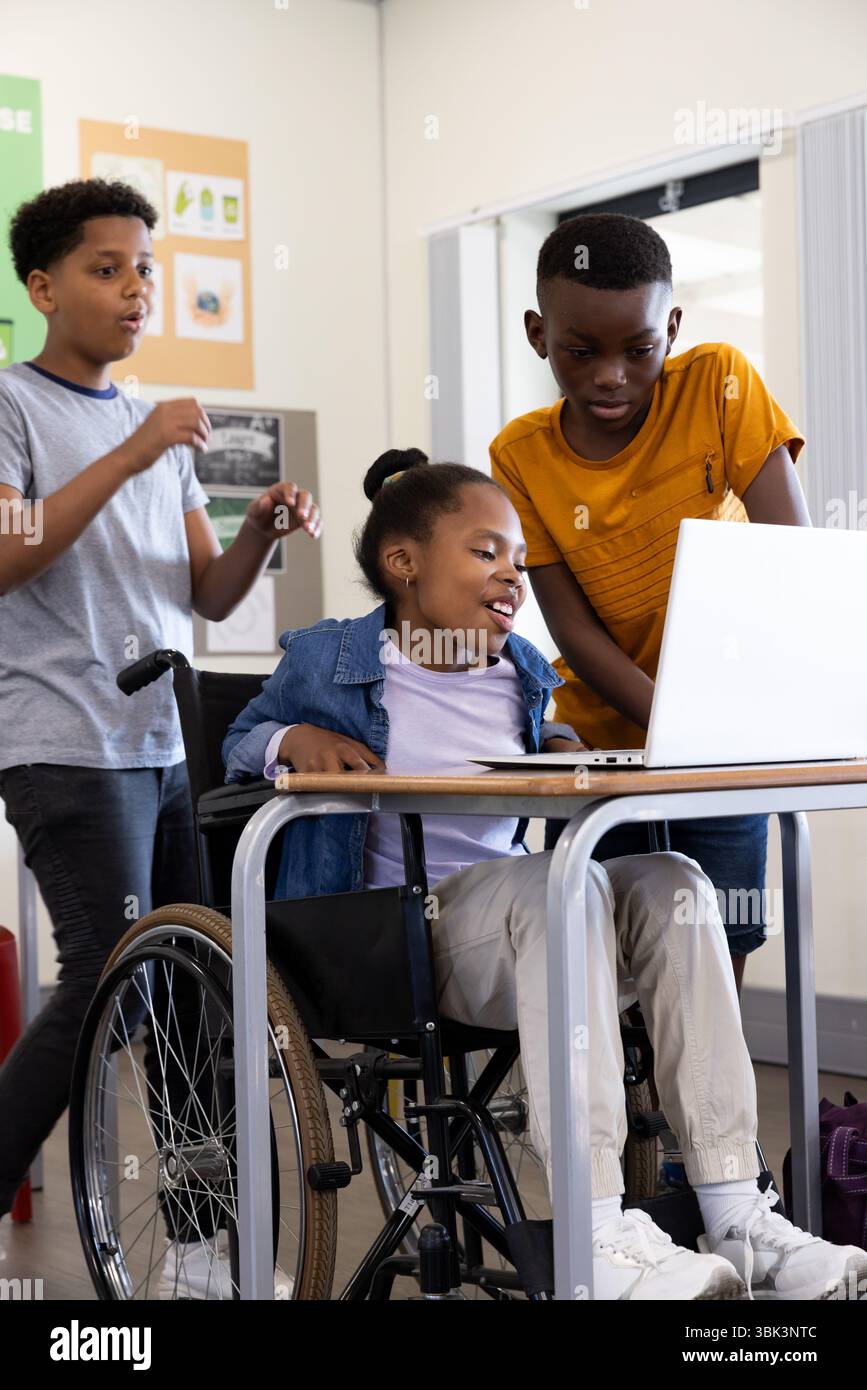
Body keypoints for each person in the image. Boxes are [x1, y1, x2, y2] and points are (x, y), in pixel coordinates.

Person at [223, 450, 865, 1300]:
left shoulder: (521, 669)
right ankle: (594, 1233)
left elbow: (539, 747)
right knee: (558, 887)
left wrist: (562, 748)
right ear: (403, 562)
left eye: (520, 560)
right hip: (391, 938)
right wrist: (290, 739)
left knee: (674, 880)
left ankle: (735, 1211)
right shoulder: (330, 657)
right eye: (485, 551)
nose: (512, 575)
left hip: (508, 930)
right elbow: (238, 740)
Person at [0, 179, 320, 1297]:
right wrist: (135, 451)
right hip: (63, 742)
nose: (135, 288)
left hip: (166, 742)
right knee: (111, 980)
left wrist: (261, 531)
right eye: (106, 268)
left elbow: (208, 592)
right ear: (43, 287)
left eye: (145, 267)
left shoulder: (159, 430)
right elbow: (8, 552)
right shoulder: (15, 405)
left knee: (191, 990)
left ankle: (193, 1250)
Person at [490, 212, 810, 990]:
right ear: (537, 334)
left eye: (638, 350)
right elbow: (571, 628)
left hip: (725, 738)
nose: (611, 376)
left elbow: (788, 555)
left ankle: (700, 1082)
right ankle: (619, 1078)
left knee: (714, 958)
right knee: (601, 959)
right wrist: (671, 728)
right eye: (580, 351)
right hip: (605, 750)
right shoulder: (519, 455)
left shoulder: (718, 383)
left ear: (670, 328)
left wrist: (710, 731)